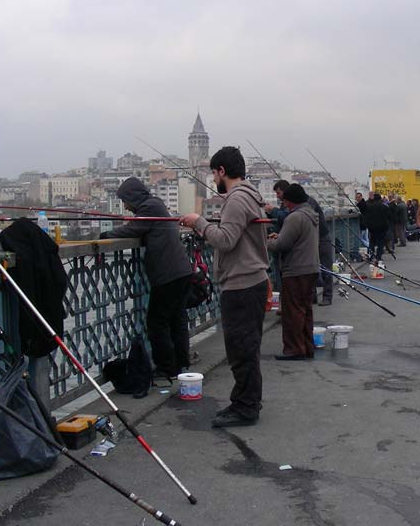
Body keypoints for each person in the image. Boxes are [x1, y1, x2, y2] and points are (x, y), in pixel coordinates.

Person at [179, 146, 269, 428]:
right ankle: (248, 400)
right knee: (247, 347)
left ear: (221, 171)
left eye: (213, 173)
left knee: (241, 348)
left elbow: (226, 239)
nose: (213, 180)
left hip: (242, 284)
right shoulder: (251, 196)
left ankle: (245, 408)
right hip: (252, 280)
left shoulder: (236, 200)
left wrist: (199, 223)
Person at [100, 177, 191, 380]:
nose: (125, 205)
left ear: (133, 197)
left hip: (168, 274)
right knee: (177, 319)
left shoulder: (149, 207)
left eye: (125, 200)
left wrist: (107, 233)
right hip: (181, 271)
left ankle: (166, 368)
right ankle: (181, 364)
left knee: (157, 322)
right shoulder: (155, 205)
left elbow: (134, 228)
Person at [267, 184, 320, 360]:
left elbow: (282, 245)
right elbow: (295, 239)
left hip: (296, 270)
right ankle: (307, 347)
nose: (284, 205)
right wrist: (280, 237)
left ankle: (294, 349)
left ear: (290, 201)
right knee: (305, 309)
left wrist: (268, 241)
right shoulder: (310, 214)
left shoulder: (295, 217)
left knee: (293, 312)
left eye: (285, 201)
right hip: (310, 267)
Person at [271, 180, 333, 306]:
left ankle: (327, 296)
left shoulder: (306, 205)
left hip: (321, 239)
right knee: (311, 270)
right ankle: (312, 297)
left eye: (279, 193)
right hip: (311, 240)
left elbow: (290, 218)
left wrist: (273, 211)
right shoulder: (296, 206)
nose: (278, 197)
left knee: (325, 268)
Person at [363, 193, 390, 263]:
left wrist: (368, 226)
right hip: (382, 228)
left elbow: (367, 217)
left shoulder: (370, 207)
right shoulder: (384, 207)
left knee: (372, 242)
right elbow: (388, 217)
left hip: (372, 228)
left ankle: (370, 256)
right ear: (380, 199)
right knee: (380, 242)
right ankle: (378, 257)